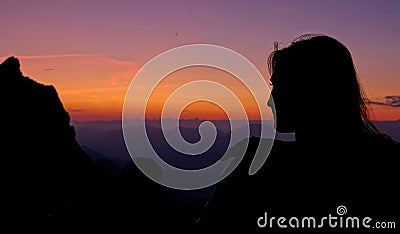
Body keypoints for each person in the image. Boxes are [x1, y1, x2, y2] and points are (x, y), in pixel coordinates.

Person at [198, 34, 400, 231]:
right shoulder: (387, 158)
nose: (270, 100)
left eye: (280, 86)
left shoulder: (255, 163)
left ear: (312, 90)